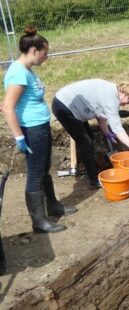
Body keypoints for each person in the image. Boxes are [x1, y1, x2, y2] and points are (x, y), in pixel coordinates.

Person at [2, 26, 76, 233]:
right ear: (33, 51)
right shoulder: (18, 73)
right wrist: (19, 137)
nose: (47, 57)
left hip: (40, 128)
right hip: (32, 131)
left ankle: (52, 205)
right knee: (35, 175)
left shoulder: (26, 71)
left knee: (43, 170)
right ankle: (39, 221)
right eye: (45, 53)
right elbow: (7, 107)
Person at [52, 79, 129, 188]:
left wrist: (107, 133)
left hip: (71, 106)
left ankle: (92, 169)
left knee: (89, 137)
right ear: (123, 93)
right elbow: (117, 128)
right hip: (64, 106)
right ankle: (93, 180)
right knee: (85, 143)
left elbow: (100, 115)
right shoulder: (111, 99)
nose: (128, 104)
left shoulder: (113, 91)